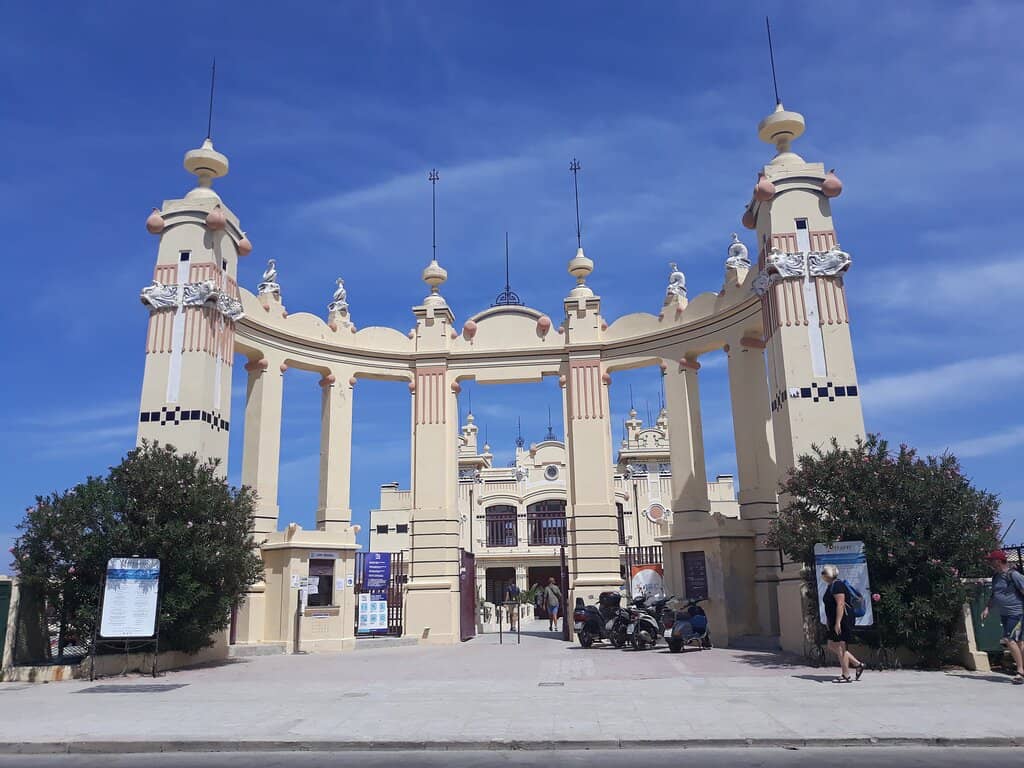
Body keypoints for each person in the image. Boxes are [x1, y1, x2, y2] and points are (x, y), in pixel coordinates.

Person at [981, 550, 1024, 684]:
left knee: (1008, 639)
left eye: (991, 561)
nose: (989, 563)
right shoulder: (996, 577)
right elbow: (995, 594)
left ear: (998, 562)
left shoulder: (1014, 575)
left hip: (1016, 613)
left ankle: (1020, 671)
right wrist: (987, 608)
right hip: (1004, 614)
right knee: (1019, 642)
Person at [820, 564, 866, 683]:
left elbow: (840, 604)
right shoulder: (831, 585)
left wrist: (838, 622)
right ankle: (857, 664)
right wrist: (829, 621)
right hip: (835, 620)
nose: (822, 575)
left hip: (843, 619)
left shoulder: (837, 585)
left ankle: (846, 675)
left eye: (824, 573)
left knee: (841, 647)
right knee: (831, 645)